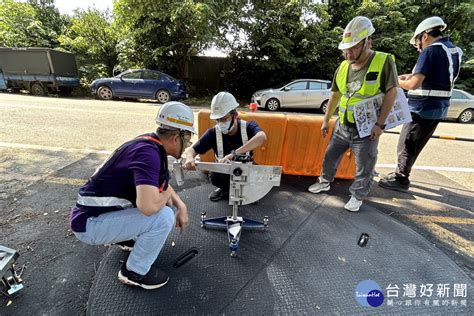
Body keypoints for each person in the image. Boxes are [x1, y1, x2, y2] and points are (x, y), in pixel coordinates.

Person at [69, 101, 195, 290]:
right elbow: (148, 207)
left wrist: (181, 205)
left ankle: (126, 237)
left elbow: (160, 185)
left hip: (92, 216)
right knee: (163, 215)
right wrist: (169, 196)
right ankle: (135, 272)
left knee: (161, 200)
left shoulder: (149, 145)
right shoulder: (149, 155)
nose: (188, 146)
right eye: (188, 140)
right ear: (177, 137)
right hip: (89, 224)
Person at [307, 16, 398, 212]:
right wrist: (326, 120)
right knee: (330, 157)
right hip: (342, 125)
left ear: (368, 42)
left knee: (364, 165)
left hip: (366, 129)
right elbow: (335, 94)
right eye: (345, 48)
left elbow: (392, 92)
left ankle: (357, 195)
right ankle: (324, 181)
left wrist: (380, 124)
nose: (347, 52)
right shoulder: (342, 66)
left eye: (353, 47)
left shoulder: (383, 61)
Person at [379, 16, 462, 192]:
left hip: (422, 108)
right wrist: (410, 75)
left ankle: (401, 179)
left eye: (418, 44)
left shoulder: (430, 51)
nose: (418, 48)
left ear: (424, 36)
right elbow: (434, 75)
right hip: (439, 108)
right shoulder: (453, 50)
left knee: (406, 143)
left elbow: (413, 85)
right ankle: (401, 174)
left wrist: (394, 80)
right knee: (417, 143)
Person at [183, 91, 267, 201]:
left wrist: (234, 154)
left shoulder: (248, 126)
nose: (220, 123)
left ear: (235, 115)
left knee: (255, 175)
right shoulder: (212, 133)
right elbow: (191, 150)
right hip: (224, 171)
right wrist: (189, 158)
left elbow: (262, 137)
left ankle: (247, 191)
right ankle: (224, 189)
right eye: (218, 120)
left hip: (245, 169)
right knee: (216, 176)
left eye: (224, 119)